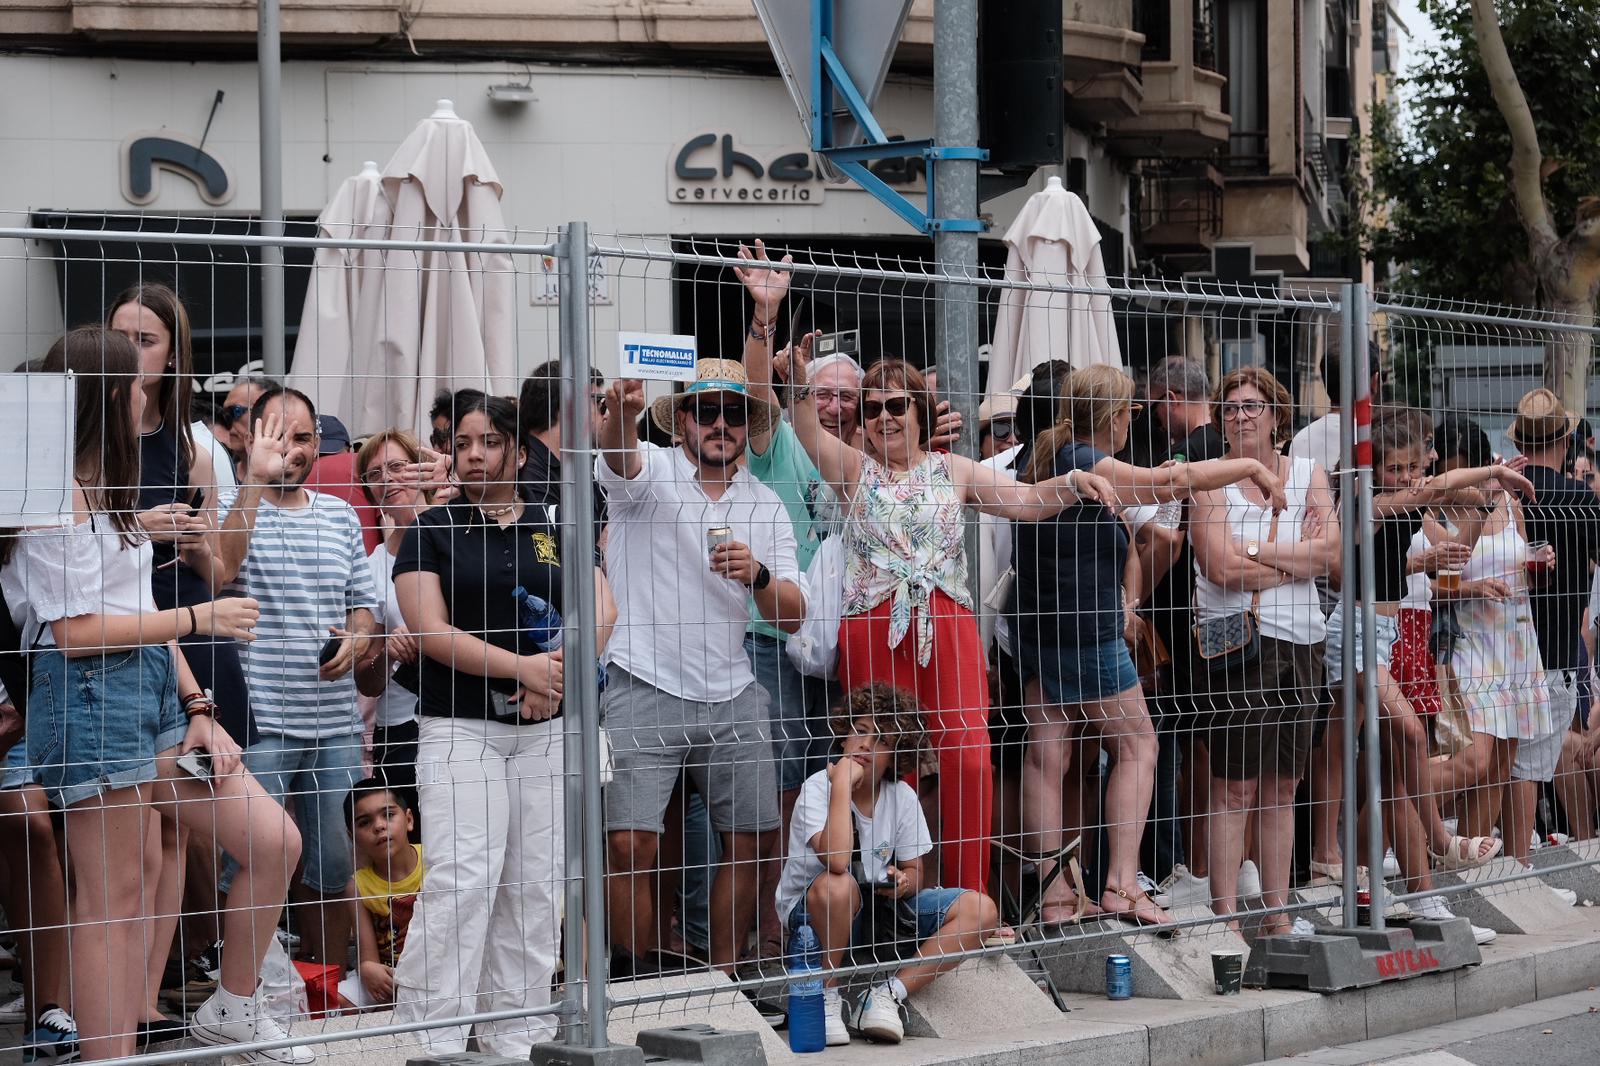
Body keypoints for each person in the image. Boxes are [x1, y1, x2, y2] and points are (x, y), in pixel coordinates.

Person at [0, 327, 304, 1062]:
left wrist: (200, 708)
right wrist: (201, 615)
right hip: (87, 697)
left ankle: (232, 1009)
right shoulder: (52, 487)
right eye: (138, 383)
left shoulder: (101, 483)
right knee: (115, 904)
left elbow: (125, 603)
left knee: (274, 841)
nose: (150, 395)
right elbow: (74, 632)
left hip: (147, 697)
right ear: (108, 393)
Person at [788, 355, 1117, 900]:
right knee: (883, 765)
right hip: (875, 628)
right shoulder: (853, 472)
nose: (883, 418)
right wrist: (776, 339)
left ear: (918, 410)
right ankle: (889, 902)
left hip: (950, 627)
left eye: (896, 406)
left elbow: (1029, 502)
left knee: (968, 758)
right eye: (872, 409)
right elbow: (802, 424)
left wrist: (1076, 481)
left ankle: (968, 901)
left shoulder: (953, 469)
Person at [1010, 363, 1282, 927]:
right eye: (1133, 411)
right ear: (1114, 417)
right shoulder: (1084, 461)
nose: (1136, 421)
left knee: (1047, 755)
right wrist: (1252, 464)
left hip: (1041, 632)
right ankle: (1121, 885)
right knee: (1139, 747)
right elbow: (1168, 484)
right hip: (1087, 631)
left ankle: (1057, 895)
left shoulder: (1040, 457)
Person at [391, 391, 617, 1054]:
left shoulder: (557, 520)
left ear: (518, 451)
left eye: (490, 442)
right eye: (463, 444)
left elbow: (602, 607)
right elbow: (427, 629)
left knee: (536, 883)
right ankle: (431, 1036)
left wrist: (558, 674)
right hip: (459, 727)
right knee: (462, 878)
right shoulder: (432, 528)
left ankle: (514, 1034)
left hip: (546, 729)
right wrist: (524, 668)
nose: (475, 454)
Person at [596, 362, 803, 972]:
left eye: (734, 412)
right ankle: (637, 980)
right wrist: (621, 416)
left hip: (732, 685)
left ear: (748, 424)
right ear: (681, 420)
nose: (719, 423)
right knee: (629, 842)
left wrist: (758, 575)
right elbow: (619, 460)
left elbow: (793, 615)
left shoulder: (765, 503)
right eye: (705, 410)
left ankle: (722, 979)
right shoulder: (655, 469)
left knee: (752, 841)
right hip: (642, 676)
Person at [107, 281, 256, 1039]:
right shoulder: (92, 429)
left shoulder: (195, 445)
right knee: (128, 834)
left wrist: (193, 536)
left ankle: (144, 996)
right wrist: (140, 524)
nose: (131, 354)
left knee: (177, 833)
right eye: (120, 337)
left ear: (174, 354)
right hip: (120, 634)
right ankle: (106, 1003)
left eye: (146, 341)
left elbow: (223, 569)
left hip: (190, 632)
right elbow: (63, 536)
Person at [1328, 407, 1530, 943]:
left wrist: (1487, 488)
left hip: (1385, 633)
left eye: (1409, 467)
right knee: (1394, 741)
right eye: (1394, 468)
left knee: (1388, 765)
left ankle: (1419, 891)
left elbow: (1443, 496)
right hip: (1356, 632)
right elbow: (1432, 490)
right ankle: (1421, 843)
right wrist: (1489, 474)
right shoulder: (1368, 501)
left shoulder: (1404, 502)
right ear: (1374, 471)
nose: (1404, 478)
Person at [217, 386, 379, 966]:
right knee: (250, 861)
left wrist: (359, 636)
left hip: (333, 720)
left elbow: (364, 605)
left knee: (333, 864)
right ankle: (246, 991)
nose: (292, 448)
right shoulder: (234, 507)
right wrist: (254, 485)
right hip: (259, 719)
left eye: (303, 436)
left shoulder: (338, 514)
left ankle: (324, 991)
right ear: (250, 437)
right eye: (276, 435)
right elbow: (220, 570)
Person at [1190, 367, 1340, 933]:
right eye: (1230, 409)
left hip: (1304, 641)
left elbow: (1333, 559)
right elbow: (1220, 568)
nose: (1241, 418)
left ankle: (1278, 918)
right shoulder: (1209, 480)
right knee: (1235, 786)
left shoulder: (1309, 473)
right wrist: (1293, 552)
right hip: (1240, 643)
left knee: (1283, 786)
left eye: (1253, 407)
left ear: (1277, 416)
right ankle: (1225, 919)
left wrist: (1256, 546)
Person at [776, 682, 999, 1046]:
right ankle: (827, 994)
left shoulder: (901, 795)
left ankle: (886, 995)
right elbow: (834, 859)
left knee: (981, 909)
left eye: (880, 740)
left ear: (896, 756)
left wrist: (903, 882)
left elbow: (916, 871)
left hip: (879, 910)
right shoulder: (818, 788)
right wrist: (843, 787)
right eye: (859, 732)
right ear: (843, 738)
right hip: (816, 920)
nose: (865, 744)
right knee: (838, 883)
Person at [1139, 356, 1228, 905]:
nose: (1153, 416)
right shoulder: (1221, 446)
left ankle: (1178, 867)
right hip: (1214, 620)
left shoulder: (1194, 453)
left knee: (1179, 747)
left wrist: (1136, 595)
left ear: (1171, 396)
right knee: (1202, 748)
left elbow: (1171, 542)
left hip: (1185, 622)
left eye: (1155, 405)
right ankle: (1197, 866)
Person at [1508, 389, 1600, 864]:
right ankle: (1520, 861)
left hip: (1504, 651)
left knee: (1510, 764)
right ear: (1566, 440)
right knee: (1531, 766)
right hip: (1560, 654)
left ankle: (1513, 855)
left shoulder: (1506, 490)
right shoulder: (1581, 498)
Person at [351, 429, 435, 797]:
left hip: (466, 717)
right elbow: (366, 680)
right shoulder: (373, 567)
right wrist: (389, 653)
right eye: (374, 475)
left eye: (398, 466)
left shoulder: (460, 533)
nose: (387, 479)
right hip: (401, 728)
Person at [344, 778, 424, 1007]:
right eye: (364, 822)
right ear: (352, 837)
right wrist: (369, 969)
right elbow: (368, 958)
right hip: (391, 977)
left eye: (388, 815)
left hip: (439, 970)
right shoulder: (357, 886)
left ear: (409, 820)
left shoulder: (434, 861)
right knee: (340, 999)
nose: (378, 826)